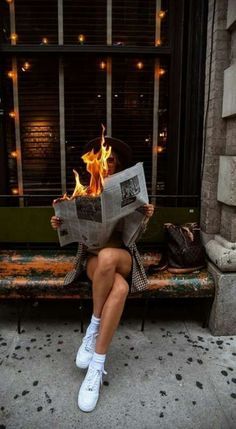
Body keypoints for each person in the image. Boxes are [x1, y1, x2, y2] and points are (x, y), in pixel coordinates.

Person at [51, 136, 154, 412]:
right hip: (94, 260)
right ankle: (96, 366)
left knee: (110, 256)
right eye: (102, 161)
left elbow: (133, 236)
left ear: (117, 163)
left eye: (110, 160)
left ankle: (93, 327)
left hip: (122, 258)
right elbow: (73, 233)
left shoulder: (124, 191)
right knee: (118, 289)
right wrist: (60, 222)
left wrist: (145, 216)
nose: (106, 165)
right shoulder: (83, 191)